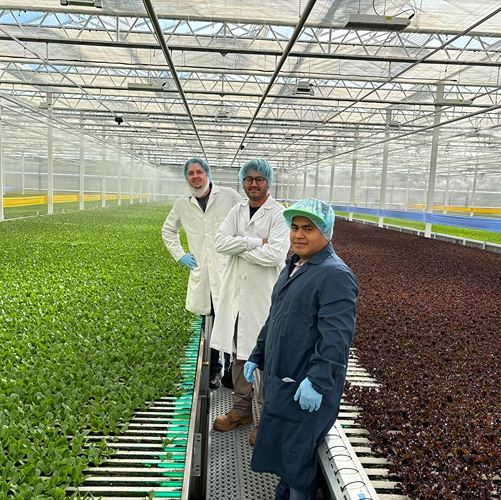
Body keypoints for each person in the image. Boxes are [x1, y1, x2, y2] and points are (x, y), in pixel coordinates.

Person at [243, 198, 359, 500]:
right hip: (283, 378)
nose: (299, 235)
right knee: (285, 453)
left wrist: (317, 382)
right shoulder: (292, 264)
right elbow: (275, 317)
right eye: (294, 227)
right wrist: (257, 354)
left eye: (308, 228)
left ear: (327, 232)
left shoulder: (335, 275)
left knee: (297, 463)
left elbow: (336, 339)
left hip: (306, 388)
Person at [210, 158, 290, 440]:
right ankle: (241, 411)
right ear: (242, 182)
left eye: (259, 179)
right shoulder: (237, 210)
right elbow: (220, 243)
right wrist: (256, 242)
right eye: (249, 179)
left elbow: (276, 255)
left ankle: (266, 419)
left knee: (268, 357)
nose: (253, 184)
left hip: (263, 297)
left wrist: (238, 245)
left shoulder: (279, 214)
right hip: (236, 294)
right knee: (239, 355)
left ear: (268, 182)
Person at [162, 157, 242, 389]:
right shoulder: (182, 204)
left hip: (228, 271)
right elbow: (168, 230)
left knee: (232, 323)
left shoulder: (229, 196)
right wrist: (180, 255)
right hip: (204, 274)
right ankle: (215, 369)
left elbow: (246, 221)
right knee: (211, 324)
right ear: (186, 177)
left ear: (208, 174)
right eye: (190, 173)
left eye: (199, 172)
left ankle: (231, 370)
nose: (195, 177)